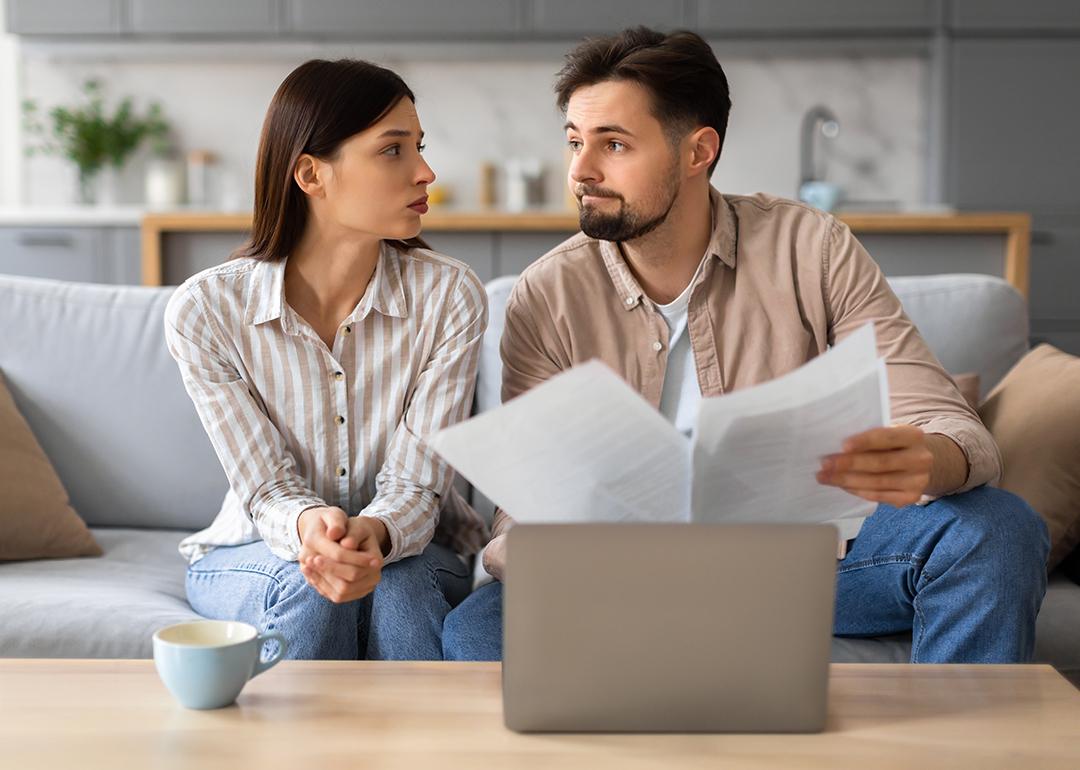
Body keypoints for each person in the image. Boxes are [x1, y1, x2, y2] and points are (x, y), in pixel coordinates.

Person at [442, 27, 1049, 663]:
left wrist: (929, 459)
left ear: (698, 150)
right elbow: (526, 503)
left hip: (804, 566)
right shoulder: (550, 292)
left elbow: (947, 420)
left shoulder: (809, 247)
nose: (580, 171)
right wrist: (532, 551)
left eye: (613, 144)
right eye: (574, 142)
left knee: (997, 530)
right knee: (478, 632)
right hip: (624, 577)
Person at [164, 59, 488, 660]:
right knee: (313, 589)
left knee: (401, 587)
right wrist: (317, 530)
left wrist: (374, 533)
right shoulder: (207, 310)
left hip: (415, 547)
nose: (426, 172)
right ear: (311, 173)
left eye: (419, 147)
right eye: (393, 151)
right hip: (260, 548)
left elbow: (419, 484)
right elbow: (266, 490)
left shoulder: (449, 295)